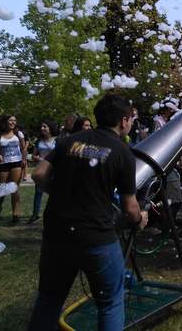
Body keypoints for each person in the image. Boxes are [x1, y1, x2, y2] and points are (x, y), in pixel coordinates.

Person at [27, 94, 148, 331]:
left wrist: (62, 194)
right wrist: (140, 218)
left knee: (50, 298)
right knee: (110, 302)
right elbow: (130, 207)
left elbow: (39, 174)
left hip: (57, 233)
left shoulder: (68, 141)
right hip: (96, 237)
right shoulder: (123, 152)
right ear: (124, 121)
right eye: (131, 119)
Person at [0, 115, 27, 223]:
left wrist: (24, 159)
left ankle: (16, 214)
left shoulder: (18, 134)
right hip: (3, 164)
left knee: (14, 188)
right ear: (5, 122)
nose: (13, 122)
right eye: (11, 120)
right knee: (2, 189)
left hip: (16, 163)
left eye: (14, 120)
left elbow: (23, 148)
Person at [28, 120, 58, 224]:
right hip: (41, 169)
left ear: (50, 128)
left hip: (54, 170)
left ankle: (55, 214)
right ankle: (35, 215)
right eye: (41, 126)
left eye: (44, 126)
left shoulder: (57, 140)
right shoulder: (39, 141)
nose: (42, 128)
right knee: (38, 192)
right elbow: (33, 155)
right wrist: (37, 158)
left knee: (54, 193)